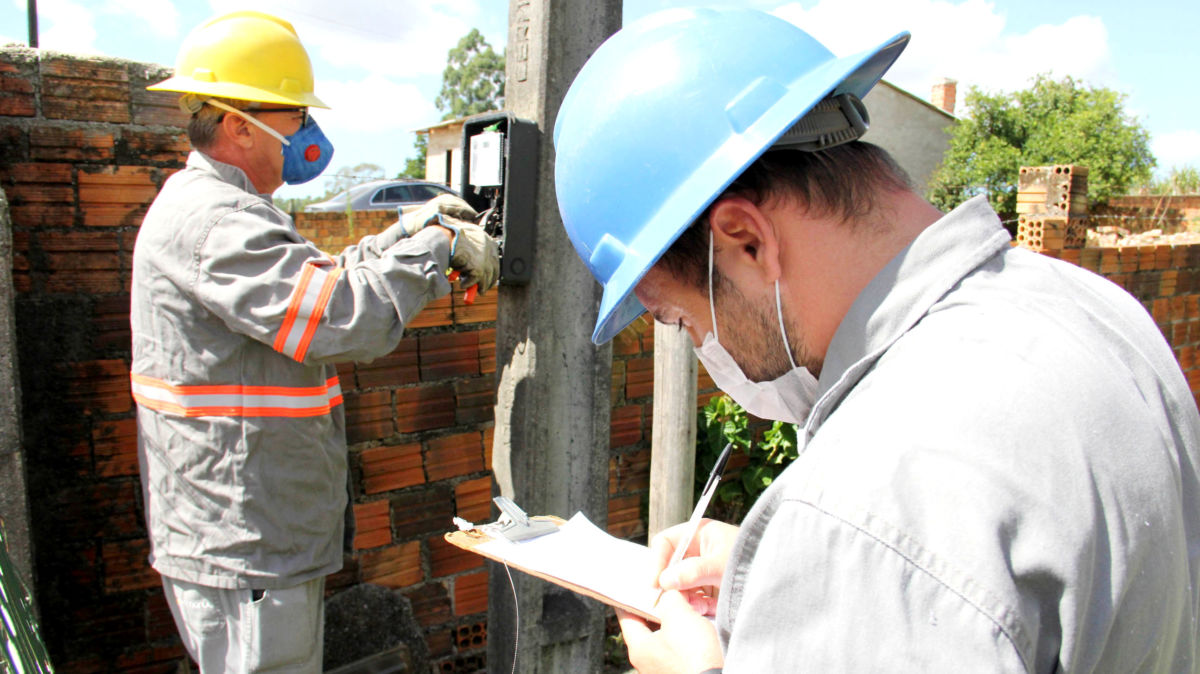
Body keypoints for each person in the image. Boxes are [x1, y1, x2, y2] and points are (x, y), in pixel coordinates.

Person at [553, 8, 1200, 673]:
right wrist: (795, 571)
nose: (702, 347)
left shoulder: (867, 503)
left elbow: (905, 536)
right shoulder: (1094, 308)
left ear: (745, 241)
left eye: (680, 319)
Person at [131, 11, 498, 672]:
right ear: (238, 124)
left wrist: (405, 231)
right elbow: (338, 316)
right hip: (245, 543)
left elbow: (315, 286)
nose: (307, 132)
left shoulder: (226, 211)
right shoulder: (215, 222)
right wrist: (435, 250)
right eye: (296, 114)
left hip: (251, 535)